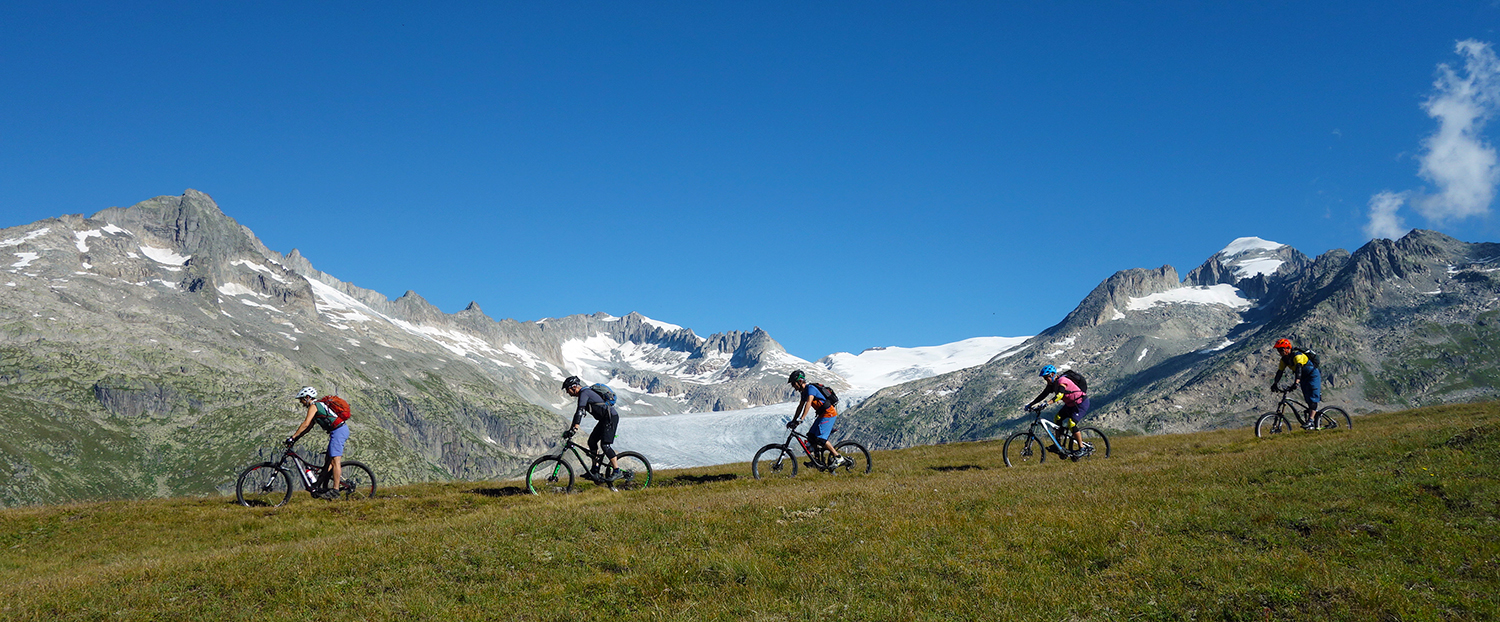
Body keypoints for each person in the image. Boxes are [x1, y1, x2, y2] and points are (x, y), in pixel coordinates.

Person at [288, 386, 349, 500]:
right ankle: (319, 487)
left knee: (335, 461)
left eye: (301, 399)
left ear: (307, 397)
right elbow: (308, 428)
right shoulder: (318, 406)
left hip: (339, 431)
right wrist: (296, 438)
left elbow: (305, 424)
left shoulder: (314, 406)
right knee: (328, 463)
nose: (301, 402)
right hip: (337, 431)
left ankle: (335, 491)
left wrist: (293, 437)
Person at [561, 376, 624, 482]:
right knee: (592, 441)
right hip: (604, 419)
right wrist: (572, 428)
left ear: (574, 387)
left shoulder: (584, 393)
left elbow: (579, 411)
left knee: (605, 445)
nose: (568, 393)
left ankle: (617, 471)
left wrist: (575, 428)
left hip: (610, 418)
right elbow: (578, 413)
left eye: (567, 390)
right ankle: (595, 470)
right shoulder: (584, 393)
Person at [786, 370, 851, 468]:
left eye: (793, 383)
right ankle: (817, 461)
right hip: (822, 414)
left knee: (820, 439)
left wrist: (802, 418)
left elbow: (808, 403)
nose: (793, 387)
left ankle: (838, 457)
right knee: (811, 436)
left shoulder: (810, 388)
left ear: (799, 381)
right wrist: (794, 420)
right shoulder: (804, 392)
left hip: (829, 414)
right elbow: (800, 406)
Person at [1024, 365, 1089, 458]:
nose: (1046, 380)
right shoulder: (1052, 385)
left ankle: (1082, 448)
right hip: (1070, 405)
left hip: (1081, 403)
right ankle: (1058, 445)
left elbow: (1060, 395)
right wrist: (1030, 404)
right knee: (1057, 418)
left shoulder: (1062, 381)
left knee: (1071, 424)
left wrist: (1047, 403)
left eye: (1047, 378)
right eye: (1045, 379)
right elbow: (1042, 395)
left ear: (1053, 374)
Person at [1270, 338, 1322, 426]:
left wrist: (1296, 382)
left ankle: (1311, 421)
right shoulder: (1284, 360)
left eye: (1281, 349)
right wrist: (1275, 383)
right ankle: (1313, 419)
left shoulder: (1297, 355)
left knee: (1313, 398)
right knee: (1307, 399)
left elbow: (1299, 369)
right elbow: (1280, 372)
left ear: (1287, 348)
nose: (1280, 352)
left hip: (1312, 375)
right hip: (1303, 377)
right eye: (1278, 350)